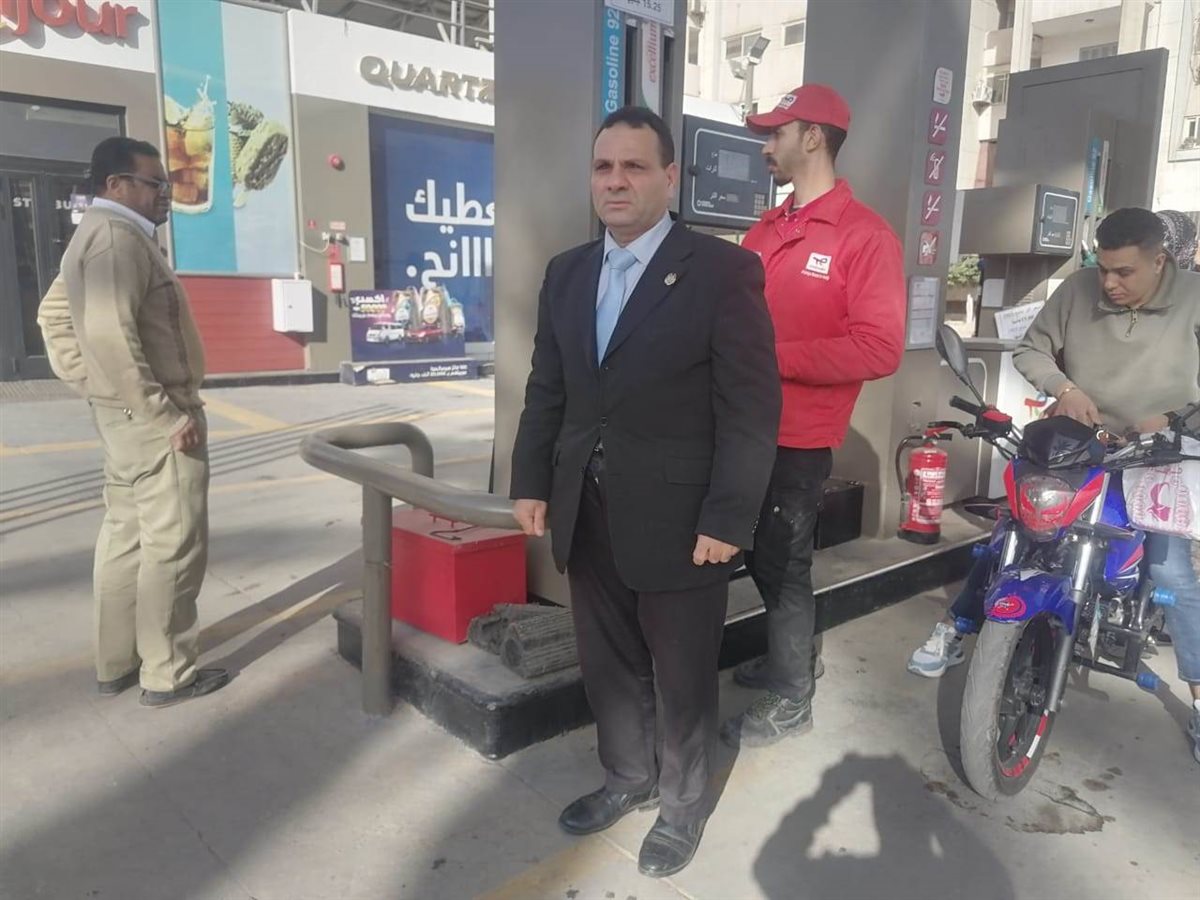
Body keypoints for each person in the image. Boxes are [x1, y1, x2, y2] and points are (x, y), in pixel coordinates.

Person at [509, 106, 780, 877]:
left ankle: (683, 805)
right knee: (608, 660)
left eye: (633, 166)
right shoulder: (567, 273)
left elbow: (751, 407)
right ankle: (628, 776)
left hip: (684, 519)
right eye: (604, 167)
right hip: (586, 507)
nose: (616, 181)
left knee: (683, 673)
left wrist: (730, 515)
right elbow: (548, 388)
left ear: (669, 176)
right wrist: (531, 480)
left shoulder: (722, 272)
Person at [906, 208, 1200, 763]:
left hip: (1158, 453)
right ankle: (957, 625)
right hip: (1079, 445)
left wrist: (1174, 418)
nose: (1109, 283)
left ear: (1160, 261)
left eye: (1124, 272)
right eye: (1103, 268)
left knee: (1171, 573)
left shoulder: (1195, 298)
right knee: (1015, 531)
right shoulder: (1078, 288)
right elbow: (1031, 349)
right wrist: (1064, 388)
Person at [720, 85, 906, 749]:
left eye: (776, 133)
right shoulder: (766, 228)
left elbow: (879, 347)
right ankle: (788, 656)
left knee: (783, 562)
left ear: (814, 137)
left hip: (797, 438)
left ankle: (792, 694)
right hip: (738, 426)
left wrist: (772, 357)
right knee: (753, 555)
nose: (765, 147)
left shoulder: (865, 237)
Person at [37, 137, 227, 709]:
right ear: (116, 185)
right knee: (174, 547)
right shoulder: (118, 239)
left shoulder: (96, 235)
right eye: (154, 184)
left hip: (124, 419)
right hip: (155, 421)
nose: (165, 194)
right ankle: (168, 673)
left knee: (127, 538)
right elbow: (109, 335)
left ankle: (117, 662)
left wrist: (98, 386)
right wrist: (160, 412)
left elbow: (54, 318)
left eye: (166, 184)